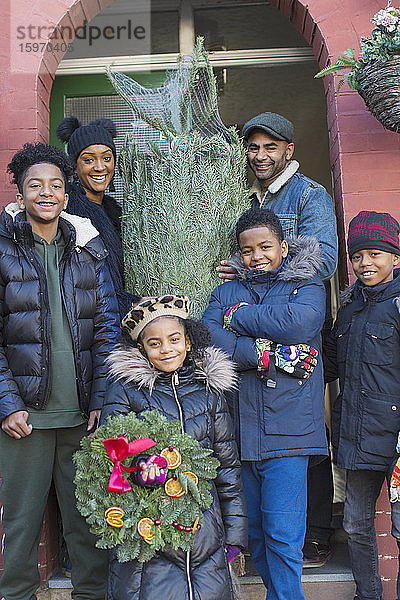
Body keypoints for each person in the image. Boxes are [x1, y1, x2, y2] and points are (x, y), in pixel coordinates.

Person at [0, 142, 120, 600]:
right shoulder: (3, 248)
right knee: (22, 524)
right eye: (35, 185)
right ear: (22, 192)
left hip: (81, 417)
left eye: (55, 184)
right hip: (24, 420)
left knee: (88, 523)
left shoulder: (89, 250)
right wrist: (7, 404)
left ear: (67, 195)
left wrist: (102, 401)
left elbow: (109, 331)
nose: (46, 192)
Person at [218, 112, 337, 566]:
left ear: (289, 150)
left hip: (294, 318)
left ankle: (318, 531)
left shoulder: (310, 194)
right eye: (254, 148)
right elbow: (240, 252)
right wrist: (241, 266)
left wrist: (266, 275)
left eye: (271, 147)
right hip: (259, 322)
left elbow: (323, 260)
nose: (261, 155)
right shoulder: (244, 195)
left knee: (304, 425)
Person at [203, 208, 328, 599]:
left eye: (265, 247)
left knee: (282, 535)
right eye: (247, 250)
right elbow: (206, 333)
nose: (256, 256)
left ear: (284, 246)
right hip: (242, 430)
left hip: (290, 430)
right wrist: (261, 353)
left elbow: (299, 324)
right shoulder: (226, 291)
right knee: (254, 534)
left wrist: (239, 318)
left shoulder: (306, 283)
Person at [100, 295, 248, 600]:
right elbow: (110, 457)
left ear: (189, 342)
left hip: (205, 530)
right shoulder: (126, 391)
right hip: (150, 532)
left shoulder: (209, 393)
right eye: (154, 343)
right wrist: (142, 473)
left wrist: (234, 533)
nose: (166, 349)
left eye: (174, 339)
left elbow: (227, 466)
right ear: (141, 348)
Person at [324, 210, 400, 600]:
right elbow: (332, 364)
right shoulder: (350, 305)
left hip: (398, 444)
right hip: (360, 436)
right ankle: (369, 594)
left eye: (374, 254)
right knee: (355, 524)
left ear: (395, 258)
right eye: (357, 257)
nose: (364, 263)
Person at [57, 116, 138, 318]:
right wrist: (132, 303)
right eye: (88, 159)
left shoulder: (113, 210)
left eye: (107, 158)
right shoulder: (70, 211)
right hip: (94, 322)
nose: (100, 167)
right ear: (74, 166)